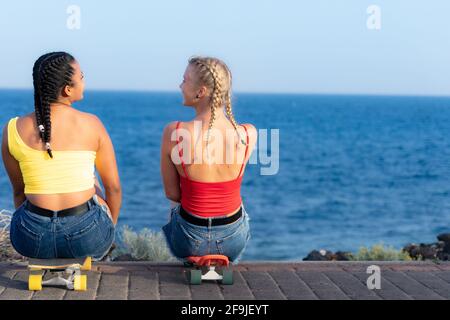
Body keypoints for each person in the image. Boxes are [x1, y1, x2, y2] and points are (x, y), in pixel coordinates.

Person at [1, 52, 122, 260]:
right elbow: (114, 189)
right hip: (85, 238)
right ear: (67, 89)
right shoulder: (92, 124)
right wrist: (108, 230)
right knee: (93, 182)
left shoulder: (12, 129)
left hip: (31, 239)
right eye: (81, 76)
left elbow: (19, 193)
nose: (84, 81)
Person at [161, 56, 257, 263]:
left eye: (184, 80)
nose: (180, 85)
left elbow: (172, 193)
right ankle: (222, 258)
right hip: (232, 241)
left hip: (189, 241)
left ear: (201, 91)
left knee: (174, 207)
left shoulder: (175, 132)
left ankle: (194, 259)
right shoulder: (248, 134)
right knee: (239, 208)